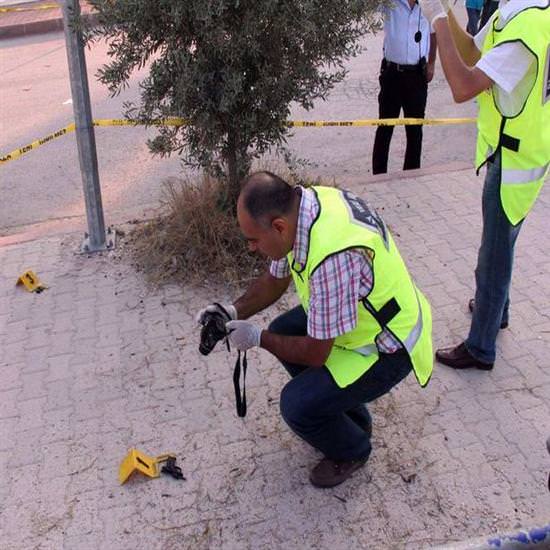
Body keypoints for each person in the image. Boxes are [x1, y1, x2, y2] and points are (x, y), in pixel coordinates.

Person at [197, 172, 433, 488]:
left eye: (253, 239)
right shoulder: (305, 208)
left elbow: (315, 353)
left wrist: (258, 338)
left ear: (277, 227)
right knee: (285, 329)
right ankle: (353, 420)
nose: (252, 248)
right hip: (367, 319)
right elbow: (276, 280)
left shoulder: (332, 257)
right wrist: (232, 310)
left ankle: (353, 450)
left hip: (389, 346)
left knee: (295, 405)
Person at [417, 0, 550, 369]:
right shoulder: (522, 11)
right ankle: (496, 310)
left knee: (493, 253)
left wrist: (438, 19)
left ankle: (480, 347)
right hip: (522, 152)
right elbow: (474, 49)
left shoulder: (526, 29)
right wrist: (446, 10)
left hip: (514, 160)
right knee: (502, 243)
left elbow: (462, 86)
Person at [372, 0, 438, 174]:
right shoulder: (390, 3)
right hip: (392, 73)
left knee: (415, 130)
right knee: (385, 126)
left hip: (417, 74)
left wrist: (432, 63)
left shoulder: (428, 4)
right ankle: (379, 175)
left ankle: (411, 174)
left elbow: (434, 33)